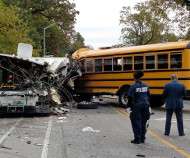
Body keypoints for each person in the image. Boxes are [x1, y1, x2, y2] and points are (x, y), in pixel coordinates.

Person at [127, 70, 150, 144]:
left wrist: (129, 107)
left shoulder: (133, 86)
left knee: (137, 122)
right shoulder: (145, 85)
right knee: (144, 122)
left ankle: (137, 139)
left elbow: (130, 98)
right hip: (146, 104)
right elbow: (148, 94)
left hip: (137, 106)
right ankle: (143, 138)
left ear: (134, 77)